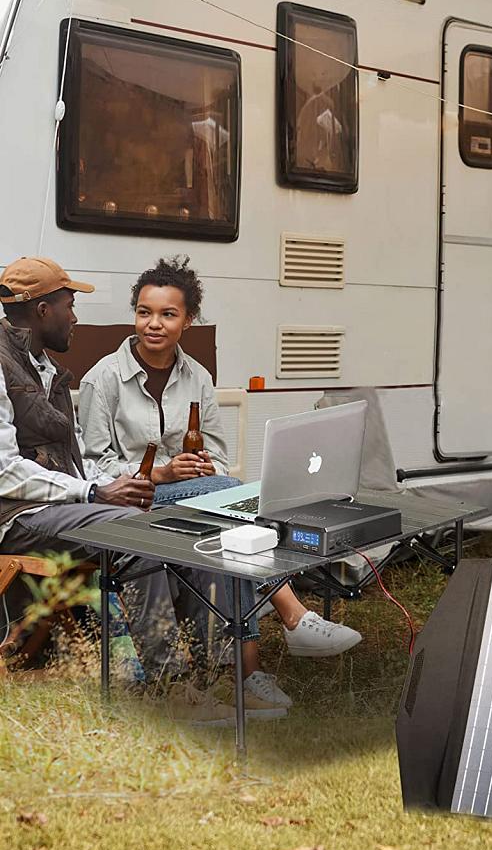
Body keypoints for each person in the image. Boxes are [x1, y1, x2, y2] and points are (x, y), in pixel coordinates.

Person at [78, 257, 362, 708]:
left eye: (168, 314)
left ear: (188, 320)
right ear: (134, 314)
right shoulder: (104, 379)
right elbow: (93, 467)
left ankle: (241, 674)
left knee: (229, 526)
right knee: (229, 500)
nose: (154, 324)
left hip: (191, 502)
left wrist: (204, 470)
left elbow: (221, 458)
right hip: (130, 505)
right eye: (144, 312)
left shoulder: (198, 378)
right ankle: (292, 616)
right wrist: (163, 473)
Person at [0, 256, 242, 722]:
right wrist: (94, 493)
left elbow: (71, 463)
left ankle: (216, 673)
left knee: (186, 524)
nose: (76, 317)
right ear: (42, 310)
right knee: (136, 532)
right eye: (69, 306)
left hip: (58, 503)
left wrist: (109, 486)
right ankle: (170, 683)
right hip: (16, 516)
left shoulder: (43, 367)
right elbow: (5, 472)